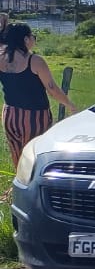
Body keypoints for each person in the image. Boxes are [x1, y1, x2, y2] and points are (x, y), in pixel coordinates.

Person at [1, 23, 76, 169]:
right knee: (36, 154)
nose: (34, 40)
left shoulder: (1, 58)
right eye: (32, 37)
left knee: (17, 154)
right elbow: (52, 89)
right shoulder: (35, 61)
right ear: (26, 39)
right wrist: (69, 104)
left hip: (9, 113)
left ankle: (20, 183)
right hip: (34, 116)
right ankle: (33, 187)